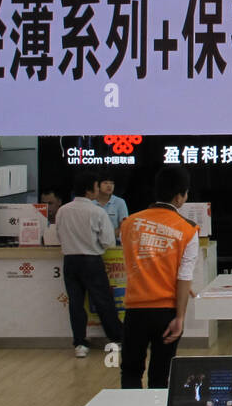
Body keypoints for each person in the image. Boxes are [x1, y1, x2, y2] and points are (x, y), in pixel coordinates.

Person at [119, 166, 201, 389]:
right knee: (160, 375)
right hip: (166, 311)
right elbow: (183, 276)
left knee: (130, 371)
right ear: (179, 196)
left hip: (135, 311)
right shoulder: (188, 229)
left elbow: (141, 262)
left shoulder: (128, 224)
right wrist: (180, 317)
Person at [54, 170, 121, 358]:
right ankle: (116, 338)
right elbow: (108, 241)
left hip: (70, 260)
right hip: (91, 260)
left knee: (75, 303)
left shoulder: (63, 210)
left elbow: (58, 235)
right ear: (90, 189)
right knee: (103, 301)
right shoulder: (97, 211)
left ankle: (80, 344)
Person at [95, 171, 129, 236]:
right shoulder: (91, 202)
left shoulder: (120, 202)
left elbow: (124, 226)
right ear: (97, 185)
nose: (109, 186)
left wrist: (107, 236)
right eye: (105, 183)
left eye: (112, 183)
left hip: (115, 241)